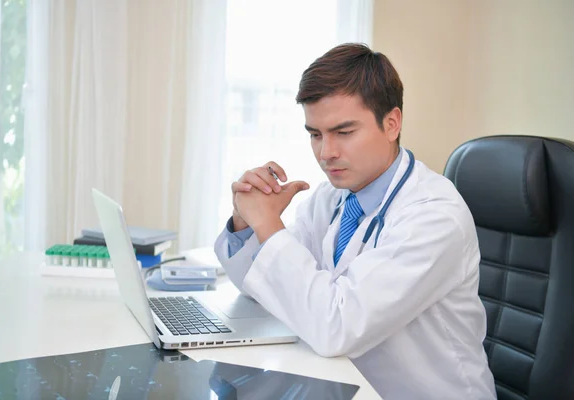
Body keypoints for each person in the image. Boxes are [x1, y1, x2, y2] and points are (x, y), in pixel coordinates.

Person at [213, 43, 496, 400]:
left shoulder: (434, 216)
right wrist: (246, 222)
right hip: (347, 387)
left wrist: (270, 226)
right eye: (315, 134)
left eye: (343, 132)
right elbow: (267, 287)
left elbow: (337, 328)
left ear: (392, 123)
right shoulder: (331, 198)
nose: (326, 153)